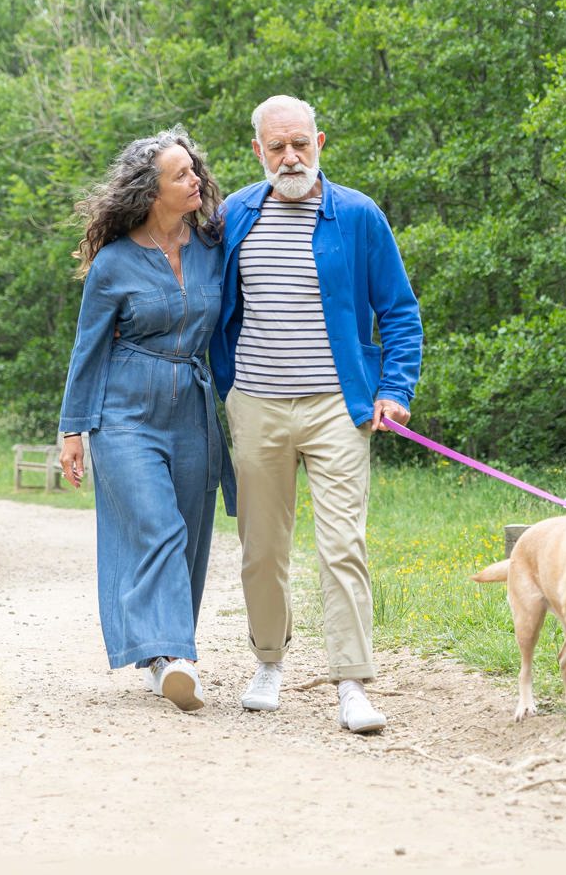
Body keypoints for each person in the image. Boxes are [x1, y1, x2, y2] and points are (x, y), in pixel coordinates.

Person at [209, 95, 423, 733]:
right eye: (277, 146)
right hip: (256, 402)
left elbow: (400, 311)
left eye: (300, 143)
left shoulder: (357, 215)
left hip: (339, 406)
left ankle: (352, 684)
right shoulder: (233, 216)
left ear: (320, 142)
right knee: (261, 547)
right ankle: (269, 661)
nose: (290, 156)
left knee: (342, 547)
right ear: (258, 151)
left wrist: (396, 389)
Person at [59, 127, 234, 712]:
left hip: (192, 405)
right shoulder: (114, 263)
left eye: (195, 170)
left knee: (189, 531)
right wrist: (72, 428)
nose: (196, 180)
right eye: (181, 174)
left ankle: (161, 655)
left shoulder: (214, 245)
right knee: (159, 526)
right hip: (125, 411)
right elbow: (89, 349)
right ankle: (176, 656)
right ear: (150, 190)